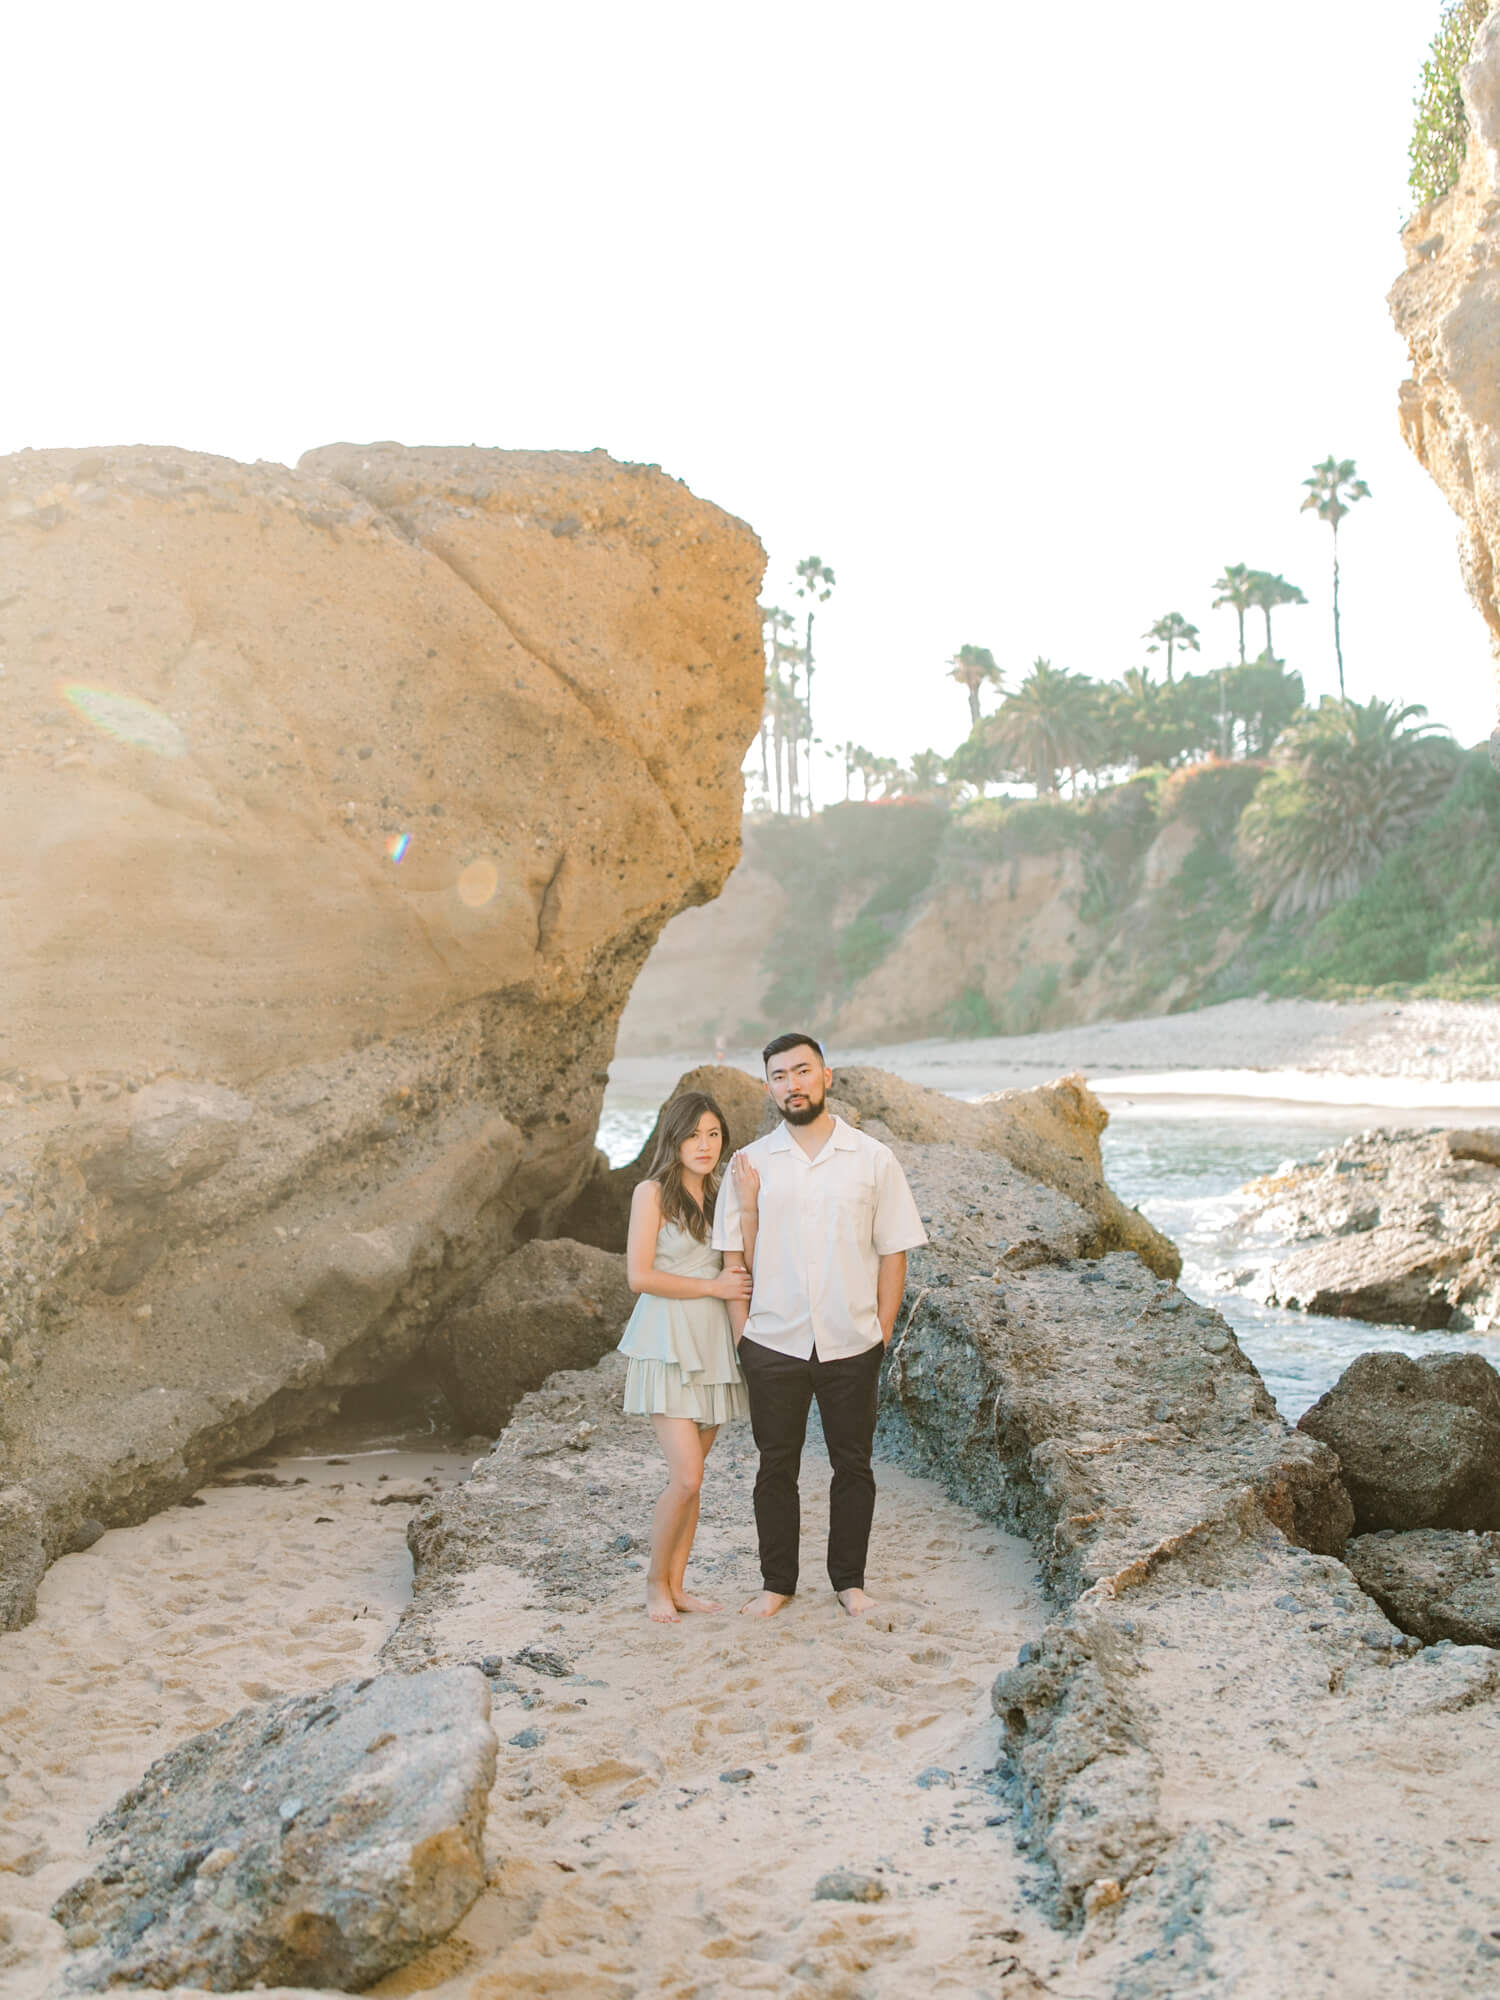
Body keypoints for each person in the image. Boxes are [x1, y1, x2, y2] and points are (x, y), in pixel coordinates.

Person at [713, 1032, 927, 1619]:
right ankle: (776, 1583)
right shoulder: (750, 1163)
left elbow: (894, 1252)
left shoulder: (873, 1159)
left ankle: (849, 1582)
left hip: (851, 1341)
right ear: (768, 1088)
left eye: (802, 1071)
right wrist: (743, 1337)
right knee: (773, 1467)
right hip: (773, 1342)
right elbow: (734, 1259)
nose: (793, 1084)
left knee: (852, 1466)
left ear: (826, 1077)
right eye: (780, 1076)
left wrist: (881, 1330)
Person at [618, 1091, 753, 1623]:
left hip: (714, 1348)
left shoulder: (722, 1197)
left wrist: (751, 1199)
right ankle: (655, 1584)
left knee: (694, 1478)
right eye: (694, 1134)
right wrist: (713, 1288)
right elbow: (639, 1277)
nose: (705, 1145)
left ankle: (677, 1584)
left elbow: (742, 1271)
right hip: (667, 1343)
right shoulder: (651, 1193)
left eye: (714, 1134)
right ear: (673, 1138)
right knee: (688, 1477)